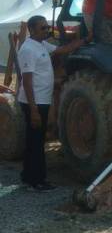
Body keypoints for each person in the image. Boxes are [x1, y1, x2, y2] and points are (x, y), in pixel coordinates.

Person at [18, 15, 91, 191]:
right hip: (33, 102)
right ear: (32, 30)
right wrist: (34, 110)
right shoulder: (28, 49)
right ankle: (37, 181)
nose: (47, 30)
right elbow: (27, 81)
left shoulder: (41, 45)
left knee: (34, 140)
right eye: (43, 28)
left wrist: (84, 40)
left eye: (47, 27)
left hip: (42, 100)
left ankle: (28, 177)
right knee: (36, 142)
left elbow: (63, 50)